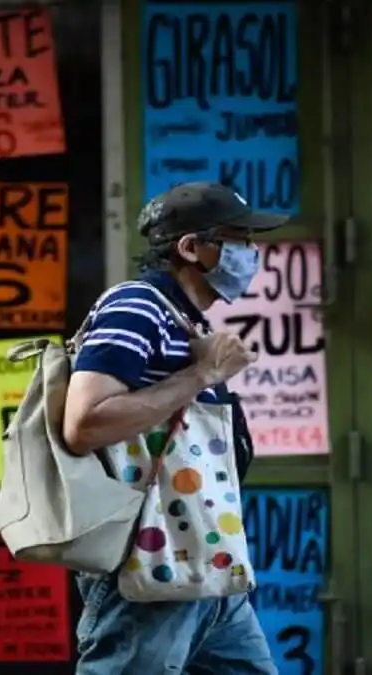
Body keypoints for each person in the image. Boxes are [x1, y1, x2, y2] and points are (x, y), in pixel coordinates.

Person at [62, 182, 286, 673]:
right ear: (191, 247)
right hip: (148, 565)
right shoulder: (135, 307)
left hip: (207, 564)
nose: (252, 253)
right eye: (239, 239)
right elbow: (85, 423)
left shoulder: (182, 320)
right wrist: (203, 375)